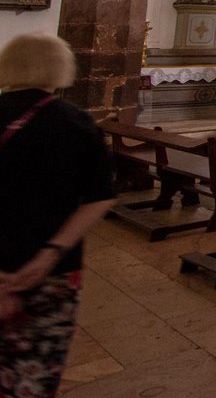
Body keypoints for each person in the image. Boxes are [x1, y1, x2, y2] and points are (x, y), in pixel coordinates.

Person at [0, 34, 116, 398]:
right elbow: (99, 198)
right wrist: (50, 252)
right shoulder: (77, 123)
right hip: (52, 271)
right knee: (35, 372)